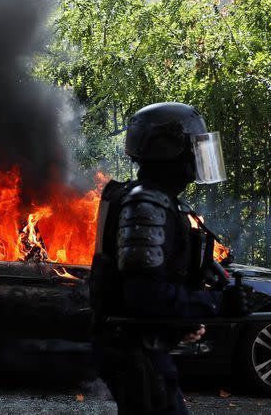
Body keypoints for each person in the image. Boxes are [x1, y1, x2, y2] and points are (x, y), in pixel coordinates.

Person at [90, 102, 250, 414]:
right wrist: (216, 304)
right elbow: (144, 296)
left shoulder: (158, 202)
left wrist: (181, 321)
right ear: (171, 152)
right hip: (132, 350)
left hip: (141, 346)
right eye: (194, 148)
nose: (198, 158)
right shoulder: (145, 205)